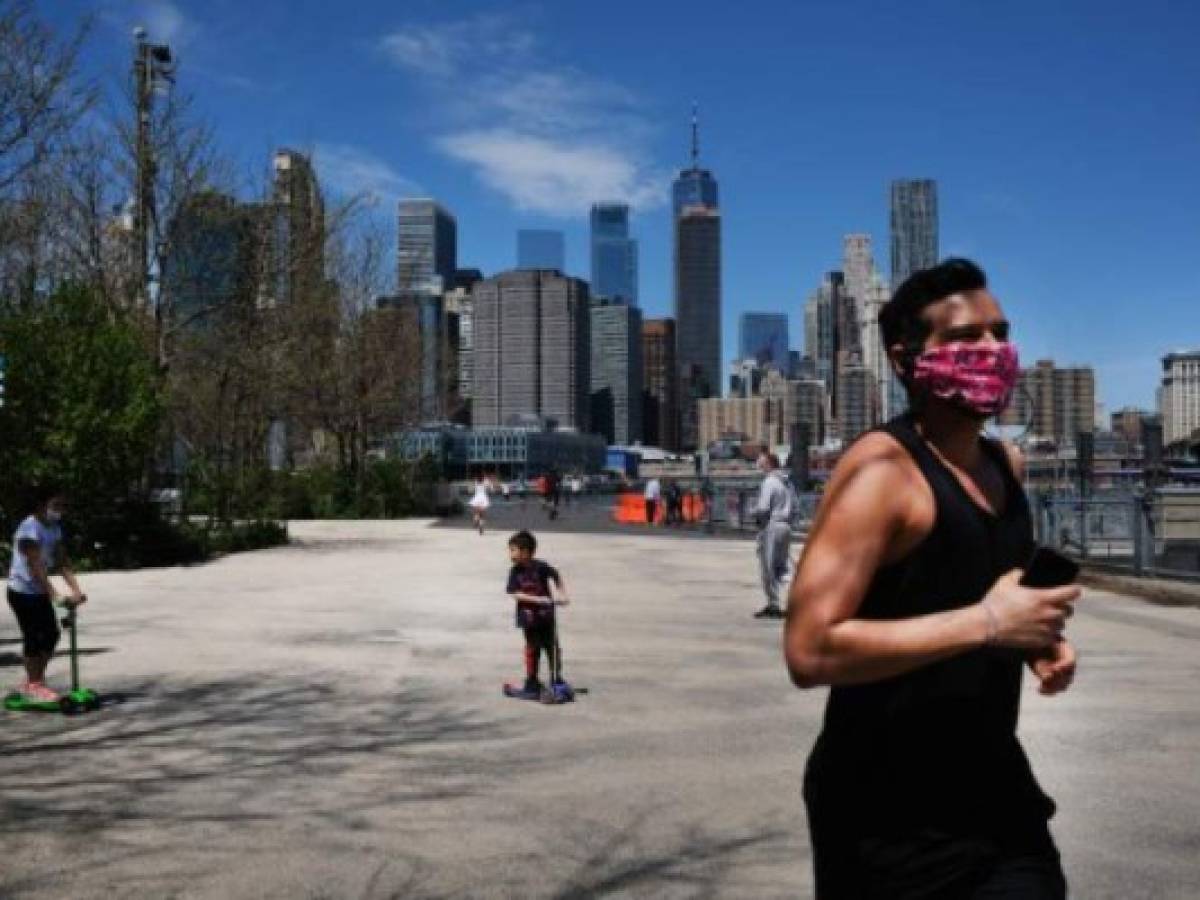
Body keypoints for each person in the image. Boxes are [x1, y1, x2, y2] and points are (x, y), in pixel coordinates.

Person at [785, 259, 1080, 898]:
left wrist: (1037, 639)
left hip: (998, 790)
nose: (993, 350)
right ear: (904, 359)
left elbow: (984, 586)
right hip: (886, 813)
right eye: (966, 338)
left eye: (1000, 333)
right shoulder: (880, 474)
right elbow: (809, 650)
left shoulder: (1009, 462)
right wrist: (988, 623)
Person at [6, 485, 88, 702]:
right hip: (22, 591)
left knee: (51, 635)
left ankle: (34, 681)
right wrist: (54, 595)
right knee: (34, 637)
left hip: (38, 591)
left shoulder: (54, 528)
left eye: (63, 506)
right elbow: (35, 567)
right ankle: (35, 684)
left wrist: (77, 590)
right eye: (56, 505)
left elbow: (62, 562)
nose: (60, 510)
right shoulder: (28, 529)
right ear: (41, 505)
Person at [506, 530, 570, 693]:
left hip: (547, 617)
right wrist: (537, 600)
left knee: (552, 647)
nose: (510, 554)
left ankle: (556, 678)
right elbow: (515, 593)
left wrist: (562, 593)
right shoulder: (515, 571)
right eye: (510, 550)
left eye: (513, 550)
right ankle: (532, 680)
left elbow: (556, 575)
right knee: (532, 648)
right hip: (528, 619)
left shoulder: (541, 567)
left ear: (526, 552)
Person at [753, 453, 796, 619]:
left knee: (768, 567)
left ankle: (774, 604)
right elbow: (796, 506)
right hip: (786, 526)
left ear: (769, 464)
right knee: (783, 566)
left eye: (762, 463)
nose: (759, 466)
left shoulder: (769, 482)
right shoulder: (787, 482)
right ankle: (794, 596)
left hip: (771, 525)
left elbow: (763, 508)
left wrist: (754, 513)